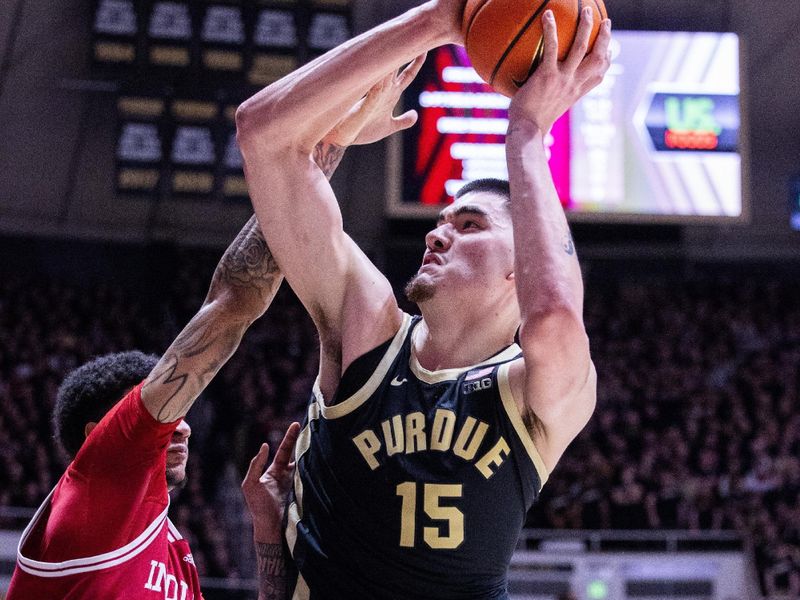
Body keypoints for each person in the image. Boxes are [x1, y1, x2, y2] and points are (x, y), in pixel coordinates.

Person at [235, 0, 611, 596]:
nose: (437, 232)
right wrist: (437, 23)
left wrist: (529, 132)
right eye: (441, 221)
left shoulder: (534, 394)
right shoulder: (367, 329)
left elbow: (556, 316)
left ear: (522, 266)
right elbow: (263, 134)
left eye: (469, 225)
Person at [5, 91, 400, 598]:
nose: (184, 424)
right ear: (101, 433)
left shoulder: (174, 548)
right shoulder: (95, 492)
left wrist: (267, 535)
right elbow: (233, 300)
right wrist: (324, 149)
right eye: (165, 417)